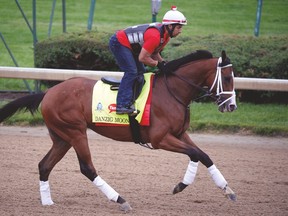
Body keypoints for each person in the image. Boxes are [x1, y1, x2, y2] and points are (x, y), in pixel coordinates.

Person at [109, 6, 187, 115]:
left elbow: (154, 53)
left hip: (131, 46)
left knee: (141, 73)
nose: (180, 31)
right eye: (179, 27)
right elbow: (143, 58)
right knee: (132, 72)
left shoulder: (165, 36)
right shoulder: (155, 36)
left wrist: (163, 63)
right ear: (170, 26)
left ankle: (132, 101)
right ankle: (121, 105)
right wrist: (158, 64)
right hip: (119, 42)